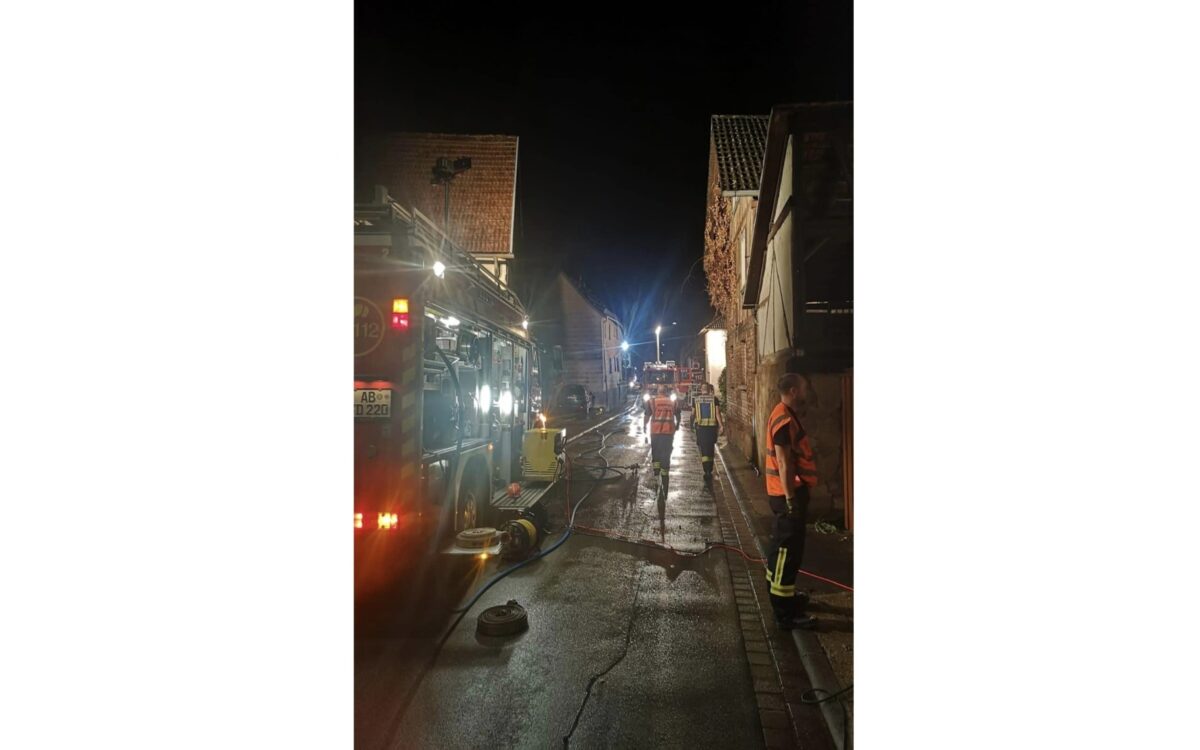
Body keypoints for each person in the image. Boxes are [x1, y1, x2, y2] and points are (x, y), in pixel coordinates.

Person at [763, 372, 819, 630]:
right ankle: (784, 611)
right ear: (794, 391)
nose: (807, 391)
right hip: (787, 495)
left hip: (785, 493)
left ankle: (780, 593)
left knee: (782, 548)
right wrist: (790, 499)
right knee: (787, 551)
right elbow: (784, 462)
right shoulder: (784, 419)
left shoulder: (783, 413)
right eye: (804, 387)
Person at [648, 385, 681, 497]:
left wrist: (644, 426)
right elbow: (678, 414)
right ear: (666, 392)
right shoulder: (672, 402)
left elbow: (647, 414)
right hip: (668, 432)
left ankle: (656, 473)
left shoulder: (653, 401)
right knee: (666, 453)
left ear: (658, 391)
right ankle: (665, 475)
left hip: (655, 432)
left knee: (656, 452)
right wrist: (677, 424)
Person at [691, 383, 722, 488]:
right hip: (712, 428)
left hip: (701, 429)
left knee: (704, 450)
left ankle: (706, 470)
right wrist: (721, 425)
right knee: (710, 449)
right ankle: (710, 468)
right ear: (709, 390)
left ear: (701, 389)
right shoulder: (714, 399)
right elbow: (717, 414)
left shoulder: (696, 400)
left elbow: (693, 414)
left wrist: (691, 425)